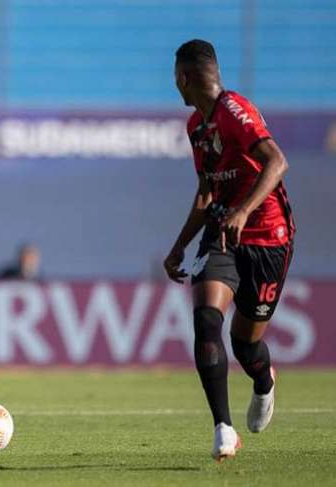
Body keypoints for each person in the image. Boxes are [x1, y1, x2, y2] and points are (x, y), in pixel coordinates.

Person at [163, 40, 294, 462]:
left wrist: (243, 210)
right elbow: (205, 193)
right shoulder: (196, 128)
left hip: (267, 236)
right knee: (205, 320)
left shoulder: (234, 110)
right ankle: (223, 427)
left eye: (175, 77)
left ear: (184, 77)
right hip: (222, 233)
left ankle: (263, 381)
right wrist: (179, 246)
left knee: (246, 345)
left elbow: (276, 162)